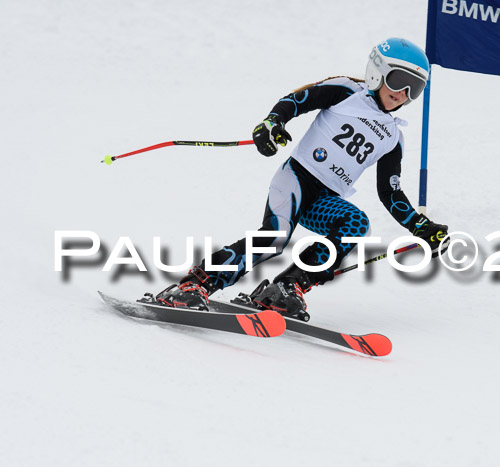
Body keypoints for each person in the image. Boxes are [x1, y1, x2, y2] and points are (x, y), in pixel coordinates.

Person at [154, 38, 448, 320]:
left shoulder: (393, 137)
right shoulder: (348, 91)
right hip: (296, 177)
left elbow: (390, 192)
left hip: (326, 200)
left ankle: (285, 287)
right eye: (398, 80)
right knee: (274, 238)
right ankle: (195, 284)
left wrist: (421, 227)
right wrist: (273, 122)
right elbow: (296, 100)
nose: (403, 92)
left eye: (415, 88)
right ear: (377, 72)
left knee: (356, 224)